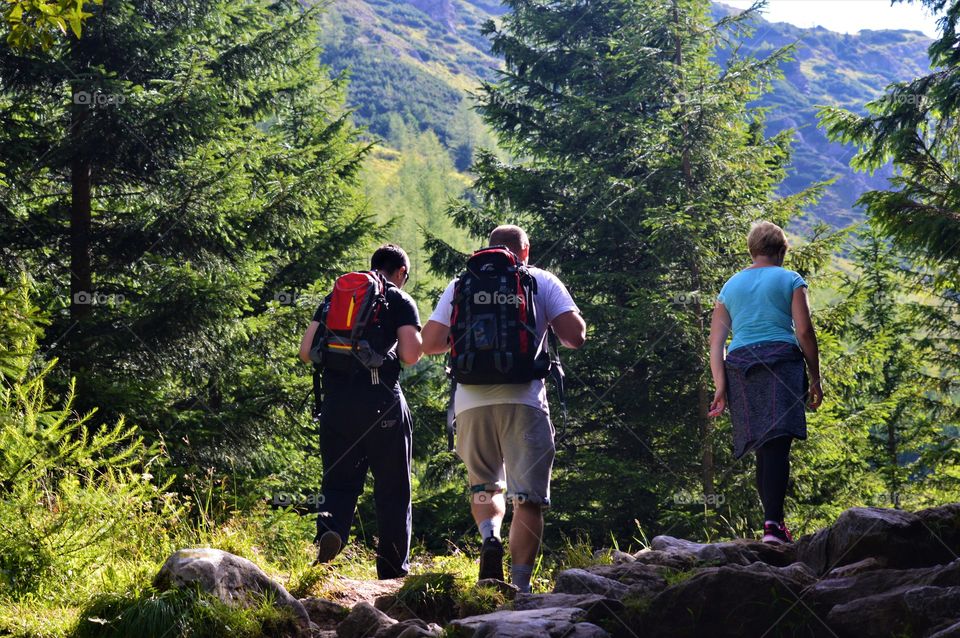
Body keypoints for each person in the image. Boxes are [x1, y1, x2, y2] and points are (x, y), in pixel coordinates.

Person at [421, 225, 586, 592]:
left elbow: (429, 343)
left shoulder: (462, 283)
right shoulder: (540, 279)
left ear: (489, 248)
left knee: (485, 485)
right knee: (527, 498)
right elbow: (575, 337)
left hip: (470, 402)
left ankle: (489, 537)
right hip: (524, 401)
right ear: (524, 250)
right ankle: (521, 588)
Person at [298, 244, 422, 578]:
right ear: (400, 273)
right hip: (382, 404)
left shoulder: (334, 299)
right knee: (393, 488)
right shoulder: (397, 299)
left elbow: (306, 352)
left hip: (336, 404)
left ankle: (330, 534)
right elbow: (411, 355)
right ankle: (392, 570)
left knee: (338, 482)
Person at [708, 221, 823, 545]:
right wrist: (815, 377)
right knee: (777, 443)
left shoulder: (730, 287)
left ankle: (772, 524)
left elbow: (716, 343)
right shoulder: (790, 279)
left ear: (753, 250)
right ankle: (773, 526)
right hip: (781, 362)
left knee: (763, 445)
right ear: (781, 251)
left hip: (741, 367)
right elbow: (803, 332)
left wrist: (720, 386)